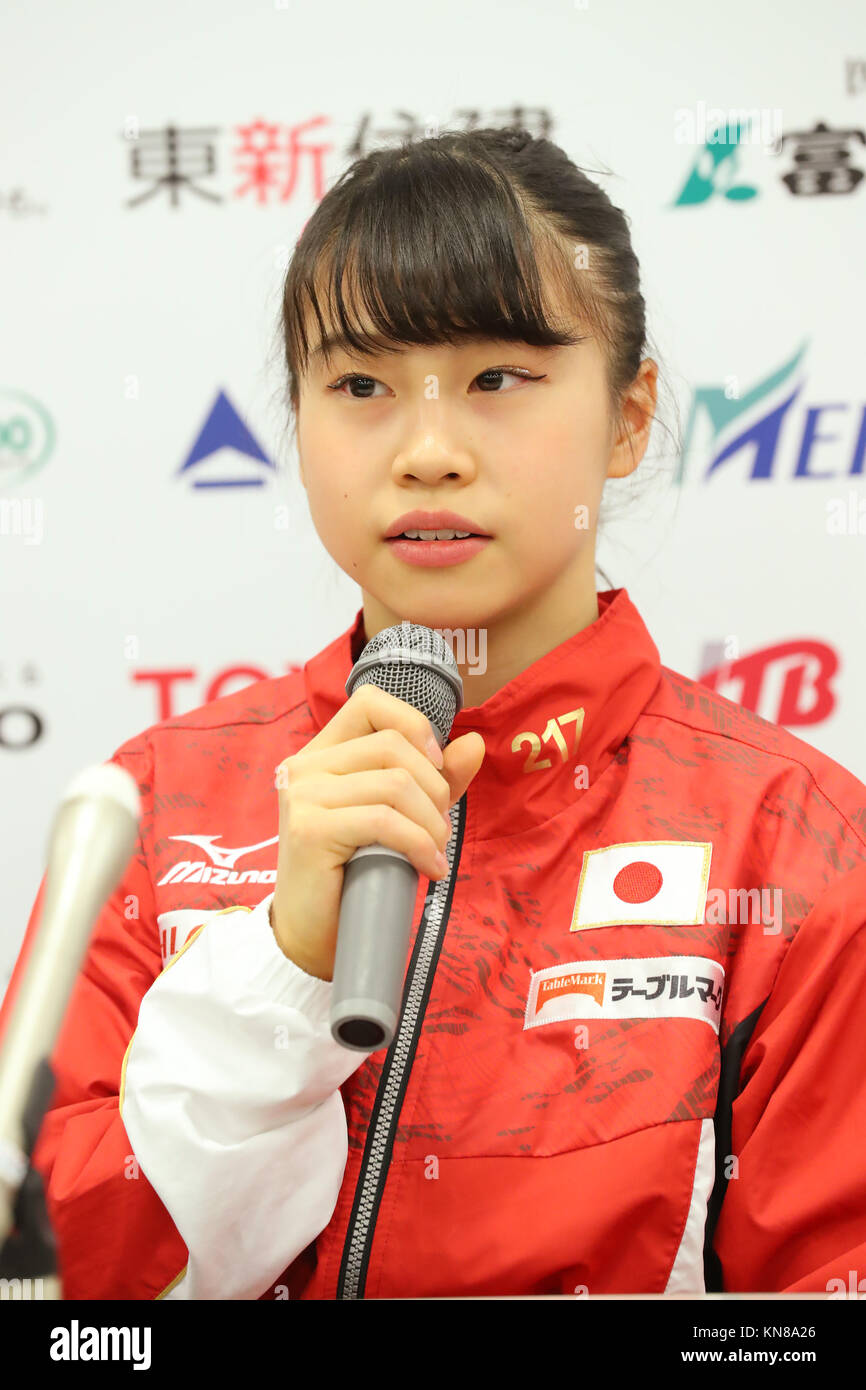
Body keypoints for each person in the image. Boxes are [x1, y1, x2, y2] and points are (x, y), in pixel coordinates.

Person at [2, 126, 865, 1301]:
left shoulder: (793, 835)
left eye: (495, 379)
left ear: (626, 416)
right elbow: (55, 1289)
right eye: (358, 386)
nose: (425, 451)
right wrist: (280, 968)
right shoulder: (155, 805)